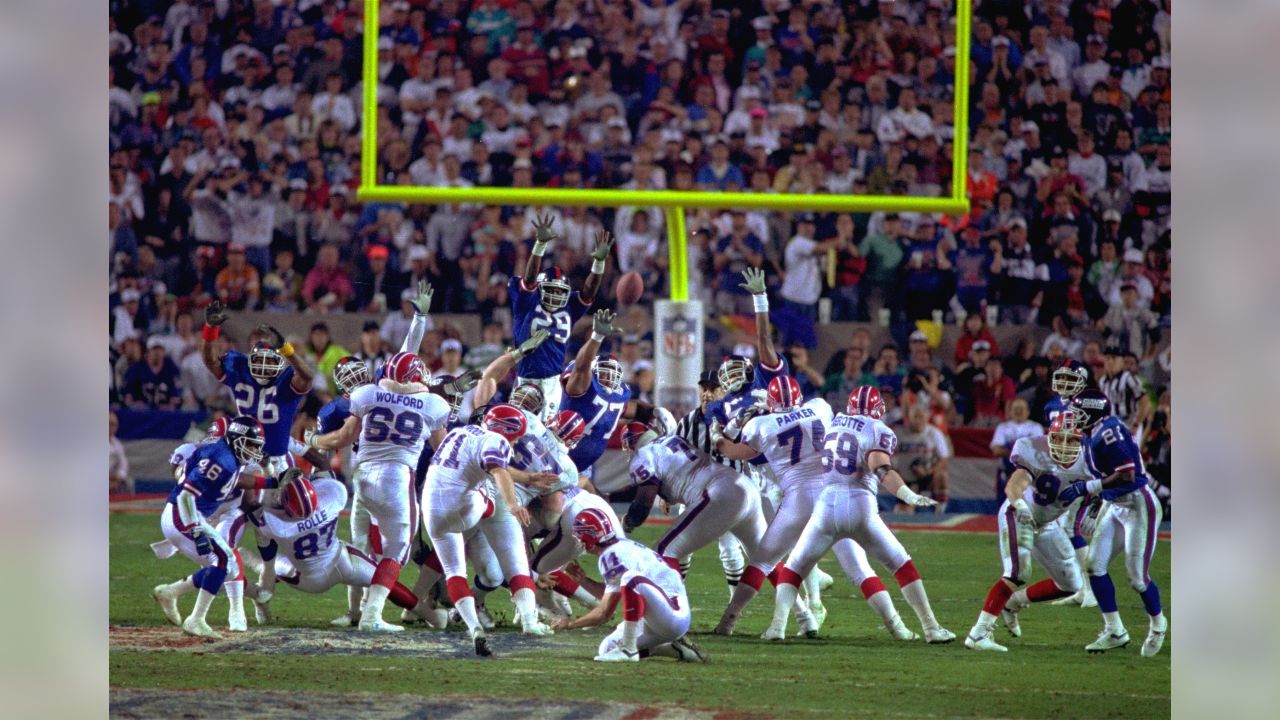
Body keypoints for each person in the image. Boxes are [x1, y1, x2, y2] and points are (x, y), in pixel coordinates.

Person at [758, 386, 955, 644]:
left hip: (826, 505)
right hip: (860, 504)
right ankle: (931, 627)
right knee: (901, 565)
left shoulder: (835, 423)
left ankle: (777, 627)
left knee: (793, 569)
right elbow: (880, 467)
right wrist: (906, 494)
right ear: (876, 410)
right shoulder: (876, 428)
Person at [714, 377, 903, 639]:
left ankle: (730, 621)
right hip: (831, 497)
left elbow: (733, 450)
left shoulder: (761, 424)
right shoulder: (820, 407)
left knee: (763, 561)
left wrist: (719, 433)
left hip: (798, 499)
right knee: (860, 570)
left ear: (771, 402)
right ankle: (897, 626)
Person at [305, 350, 459, 631]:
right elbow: (444, 450)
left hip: (363, 477)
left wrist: (315, 439)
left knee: (362, 545)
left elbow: (344, 437)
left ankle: (363, 609)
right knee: (398, 548)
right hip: (396, 477)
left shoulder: (367, 394)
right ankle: (371, 614)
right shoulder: (433, 404)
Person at [420, 405, 560, 656]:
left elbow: (494, 466)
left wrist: (527, 479)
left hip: (431, 510)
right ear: (507, 430)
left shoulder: (459, 433)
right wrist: (514, 503)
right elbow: (497, 470)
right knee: (512, 549)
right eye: (516, 435)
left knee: (454, 572)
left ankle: (473, 628)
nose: (517, 441)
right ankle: (529, 620)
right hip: (467, 505)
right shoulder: (495, 439)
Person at [251, 470, 447, 630]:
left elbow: (257, 511)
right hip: (342, 561)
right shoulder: (333, 496)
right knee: (385, 582)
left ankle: (261, 604)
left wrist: (273, 488)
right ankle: (432, 617)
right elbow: (324, 474)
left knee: (269, 566)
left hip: (310, 580)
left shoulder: (275, 523)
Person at [965, 411, 1094, 652]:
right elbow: (1015, 484)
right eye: (1058, 438)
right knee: (1018, 571)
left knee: (1072, 582)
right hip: (1019, 515)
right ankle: (978, 633)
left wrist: (1094, 511)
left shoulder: (1091, 460)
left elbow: (1105, 489)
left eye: (1071, 440)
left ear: (1081, 440)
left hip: (1047, 524)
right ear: (1048, 437)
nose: (1064, 445)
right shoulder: (1034, 451)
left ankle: (1013, 602)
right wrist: (1020, 503)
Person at [620, 420, 772, 622]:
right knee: (765, 559)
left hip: (720, 493)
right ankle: (803, 616)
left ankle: (674, 615)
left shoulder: (642, 456)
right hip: (743, 485)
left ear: (629, 445)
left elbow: (643, 504)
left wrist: (628, 522)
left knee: (664, 552)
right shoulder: (672, 439)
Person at [1060, 389, 1167, 657]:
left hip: (1138, 504)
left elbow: (1127, 474)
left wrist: (1089, 488)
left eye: (1079, 412)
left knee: (1137, 577)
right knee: (1095, 566)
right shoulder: (1094, 432)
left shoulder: (1108, 432)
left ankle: (1158, 624)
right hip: (1116, 504)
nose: (1075, 418)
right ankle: (1115, 630)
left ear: (1093, 412)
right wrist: (1097, 499)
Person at [150, 416, 267, 639]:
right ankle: (197, 619)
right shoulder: (220, 459)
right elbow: (185, 493)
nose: (253, 450)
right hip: (185, 514)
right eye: (250, 444)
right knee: (224, 561)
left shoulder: (227, 457)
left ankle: (171, 592)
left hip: (192, 513)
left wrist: (273, 482)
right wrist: (195, 527)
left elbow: (242, 480)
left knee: (226, 566)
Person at [551, 508, 706, 664]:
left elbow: (604, 612)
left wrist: (571, 624)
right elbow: (608, 596)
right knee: (607, 649)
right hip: (656, 613)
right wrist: (583, 580)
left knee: (631, 578)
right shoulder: (619, 547)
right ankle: (672, 648)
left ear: (590, 537)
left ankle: (628, 650)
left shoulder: (611, 556)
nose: (578, 541)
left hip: (672, 616)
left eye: (579, 536)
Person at [510, 216, 609, 421]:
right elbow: (528, 280)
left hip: (553, 381)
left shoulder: (569, 307)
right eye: (551, 289)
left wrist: (598, 263)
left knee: (549, 433)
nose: (556, 294)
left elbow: (588, 292)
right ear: (540, 287)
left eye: (559, 290)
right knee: (518, 426)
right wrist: (540, 245)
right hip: (526, 378)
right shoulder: (526, 302)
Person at [199, 301, 313, 478]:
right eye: (259, 361)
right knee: (240, 503)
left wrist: (287, 349)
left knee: (284, 504)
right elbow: (210, 361)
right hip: (244, 457)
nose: (264, 366)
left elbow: (307, 376)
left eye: (270, 362)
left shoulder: (286, 379)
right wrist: (210, 330)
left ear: (279, 364)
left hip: (276, 459)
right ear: (250, 360)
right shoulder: (239, 369)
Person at [561, 310, 653, 483]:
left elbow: (634, 409)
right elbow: (582, 366)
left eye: (612, 374)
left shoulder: (615, 398)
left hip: (584, 467)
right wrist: (596, 337)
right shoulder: (581, 386)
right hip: (559, 459)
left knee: (597, 505)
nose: (608, 378)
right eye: (603, 373)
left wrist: (660, 414)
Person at [894, 404, 952, 511]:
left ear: (927, 418)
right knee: (903, 514)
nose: (918, 421)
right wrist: (896, 472)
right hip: (905, 478)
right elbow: (886, 455)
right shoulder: (898, 433)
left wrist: (928, 471)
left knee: (942, 476)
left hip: (927, 475)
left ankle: (940, 511)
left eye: (921, 417)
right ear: (909, 418)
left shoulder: (934, 433)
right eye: (915, 417)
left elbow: (944, 458)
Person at [990, 398, 1044, 502]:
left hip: (1030, 473)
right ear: (1010, 411)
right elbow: (996, 450)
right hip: (1007, 472)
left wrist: (1010, 451)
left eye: (1021, 408)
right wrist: (1022, 452)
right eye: (1015, 408)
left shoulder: (1035, 427)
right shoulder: (1003, 427)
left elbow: (1039, 450)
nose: (1018, 411)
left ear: (1028, 411)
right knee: (1005, 506)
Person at [123, 338, 184, 409]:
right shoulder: (137, 368)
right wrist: (133, 402)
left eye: (160, 349)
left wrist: (172, 404)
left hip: (165, 411)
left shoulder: (171, 368)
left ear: (164, 352)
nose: (157, 352)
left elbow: (176, 391)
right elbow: (128, 391)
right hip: (141, 411)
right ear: (148, 351)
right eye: (154, 349)